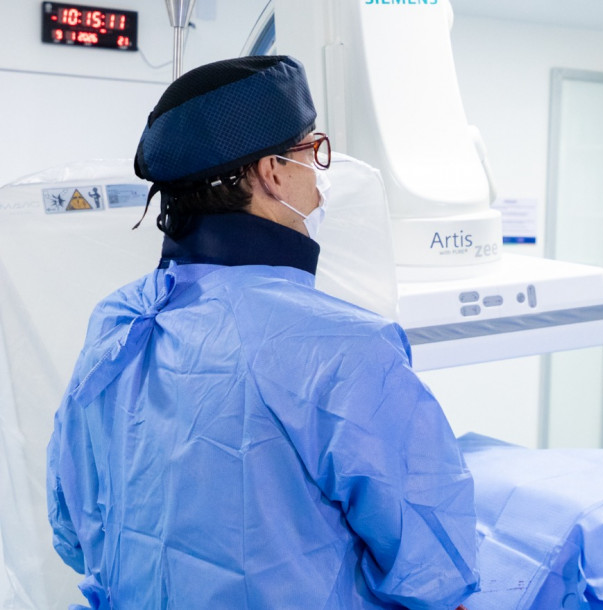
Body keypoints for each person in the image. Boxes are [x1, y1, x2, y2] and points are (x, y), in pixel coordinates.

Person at [45, 55, 478, 609]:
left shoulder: (118, 321)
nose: (319, 181)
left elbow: (73, 531)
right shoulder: (346, 349)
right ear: (273, 172)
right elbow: (434, 570)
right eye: (312, 152)